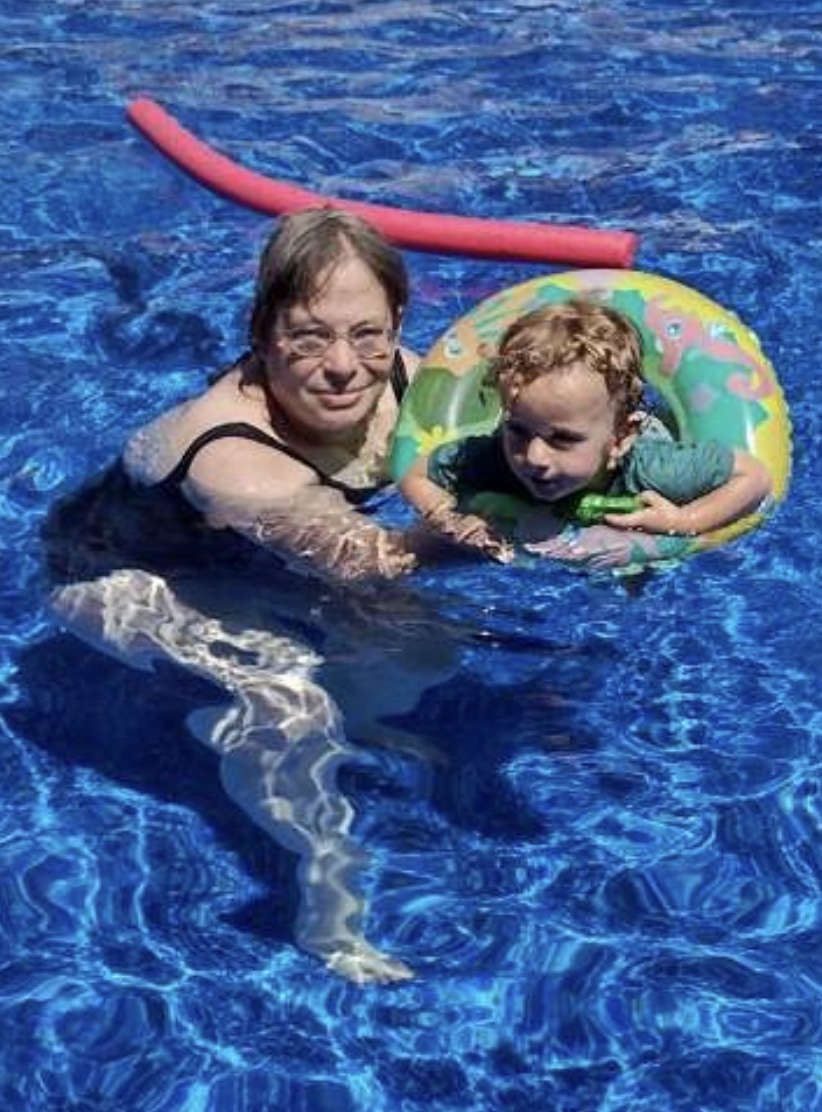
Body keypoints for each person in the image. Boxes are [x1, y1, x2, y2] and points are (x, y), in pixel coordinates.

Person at [44, 207, 463, 985]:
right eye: (309, 337)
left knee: (428, 644)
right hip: (118, 571)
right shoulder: (234, 457)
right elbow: (372, 562)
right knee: (286, 698)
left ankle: (357, 723)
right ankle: (327, 909)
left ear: (399, 322)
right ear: (263, 332)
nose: (344, 366)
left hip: (246, 561)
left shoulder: (412, 378)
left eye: (367, 334)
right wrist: (496, 538)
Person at [399, 298, 772, 562]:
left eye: (563, 438)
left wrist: (682, 521)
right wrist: (449, 519)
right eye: (519, 430)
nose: (534, 457)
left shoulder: (656, 468)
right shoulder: (494, 456)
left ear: (621, 438)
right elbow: (415, 475)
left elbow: (754, 477)